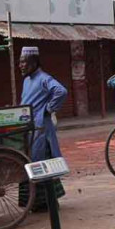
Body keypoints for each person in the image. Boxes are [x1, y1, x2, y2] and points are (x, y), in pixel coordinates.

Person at [18, 46, 68, 212]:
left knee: (42, 164)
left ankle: (47, 203)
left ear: (33, 62)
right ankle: (36, 202)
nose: (21, 65)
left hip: (41, 130)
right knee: (30, 162)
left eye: (24, 62)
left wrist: (48, 109)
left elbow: (61, 91)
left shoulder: (44, 78)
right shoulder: (27, 80)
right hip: (29, 128)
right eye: (20, 62)